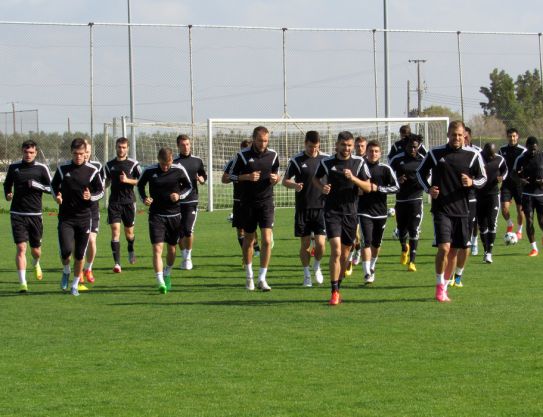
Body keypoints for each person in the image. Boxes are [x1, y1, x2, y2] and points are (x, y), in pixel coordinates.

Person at [416, 121, 486, 302]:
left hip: (463, 209)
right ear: (448, 134)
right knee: (444, 248)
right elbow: (419, 173)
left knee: (454, 251)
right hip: (441, 209)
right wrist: (429, 189)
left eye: (460, 135)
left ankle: (445, 287)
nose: (456, 138)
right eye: (453, 134)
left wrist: (472, 182)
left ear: (465, 136)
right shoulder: (435, 153)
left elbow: (483, 178)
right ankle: (439, 286)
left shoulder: (473, 155)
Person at [313, 131, 372, 305]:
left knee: (346, 254)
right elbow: (315, 179)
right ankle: (334, 291)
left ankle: (338, 284)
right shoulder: (327, 162)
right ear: (337, 145)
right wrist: (322, 187)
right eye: (343, 145)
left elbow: (368, 187)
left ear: (352, 146)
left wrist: (353, 178)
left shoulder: (359, 162)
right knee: (336, 250)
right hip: (332, 212)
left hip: (351, 213)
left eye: (349, 145)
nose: (346, 148)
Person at [229, 126, 280, 291]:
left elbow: (276, 174)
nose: (263, 143)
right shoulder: (242, 156)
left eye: (266, 140)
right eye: (260, 140)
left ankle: (262, 278)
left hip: (266, 203)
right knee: (249, 239)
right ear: (254, 139)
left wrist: (276, 178)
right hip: (247, 203)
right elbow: (229, 176)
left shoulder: (273, 155)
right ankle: (249, 276)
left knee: (266, 240)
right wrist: (247, 177)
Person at [51, 138, 104, 296]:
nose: (79, 157)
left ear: (85, 153)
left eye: (81, 154)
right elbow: (53, 186)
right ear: (71, 152)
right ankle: (66, 270)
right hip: (66, 218)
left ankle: (74, 284)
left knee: (80, 254)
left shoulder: (92, 170)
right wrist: (57, 197)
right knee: (66, 251)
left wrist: (91, 196)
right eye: (76, 154)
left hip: (84, 218)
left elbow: (100, 191)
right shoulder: (62, 169)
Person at [137, 147, 192, 293]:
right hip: (156, 215)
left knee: (172, 249)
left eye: (167, 164)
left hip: (174, 216)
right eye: (162, 164)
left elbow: (189, 186)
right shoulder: (149, 171)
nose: (165, 167)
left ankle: (167, 272)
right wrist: (144, 198)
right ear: (158, 160)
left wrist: (179, 195)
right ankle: (160, 280)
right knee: (157, 248)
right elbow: (140, 185)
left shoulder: (178, 169)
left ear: (171, 160)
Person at [3, 140, 52, 293]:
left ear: (36, 153)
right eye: (26, 152)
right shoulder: (14, 167)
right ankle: (23, 283)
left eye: (31, 152)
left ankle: (36, 262)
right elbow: (7, 184)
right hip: (17, 213)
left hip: (35, 214)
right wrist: (8, 194)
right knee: (20, 247)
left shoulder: (41, 168)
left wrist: (36, 185)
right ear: (22, 152)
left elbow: (52, 188)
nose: (28, 155)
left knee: (36, 250)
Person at [282, 130, 328, 287]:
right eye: (310, 147)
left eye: (315, 147)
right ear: (305, 144)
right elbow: (284, 181)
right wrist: (294, 185)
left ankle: (316, 266)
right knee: (306, 244)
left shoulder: (326, 159)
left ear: (319, 145)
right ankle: (306, 274)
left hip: (322, 208)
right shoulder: (296, 160)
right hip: (303, 208)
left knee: (321, 244)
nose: (313, 150)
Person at [357, 140, 399, 284]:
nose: (373, 154)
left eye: (376, 151)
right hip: (363, 211)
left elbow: (396, 187)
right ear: (366, 152)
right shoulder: (360, 167)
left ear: (380, 153)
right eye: (370, 151)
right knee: (366, 241)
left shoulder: (385, 169)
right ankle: (367, 272)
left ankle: (372, 266)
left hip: (381, 212)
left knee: (376, 243)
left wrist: (379, 188)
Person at [104, 137, 142, 273]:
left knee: (129, 233)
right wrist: (103, 185)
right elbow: (106, 181)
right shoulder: (109, 165)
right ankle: (117, 264)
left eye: (124, 147)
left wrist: (127, 180)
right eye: (119, 147)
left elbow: (140, 181)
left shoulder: (133, 164)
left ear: (128, 148)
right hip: (114, 202)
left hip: (129, 203)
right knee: (115, 231)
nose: (121, 149)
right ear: (116, 147)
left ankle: (130, 247)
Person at [389, 134, 425, 272]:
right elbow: (388, 175)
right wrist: (397, 180)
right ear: (406, 146)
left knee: (414, 229)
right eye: (410, 146)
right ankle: (404, 248)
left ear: (418, 147)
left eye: (415, 147)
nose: (412, 149)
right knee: (402, 230)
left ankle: (412, 262)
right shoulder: (397, 159)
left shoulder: (422, 159)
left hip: (416, 198)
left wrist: (424, 184)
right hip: (401, 199)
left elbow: (428, 175)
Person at [221, 139, 260, 260]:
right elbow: (224, 179)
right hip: (238, 200)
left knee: (252, 228)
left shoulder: (257, 161)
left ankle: (256, 247)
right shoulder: (234, 161)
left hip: (254, 199)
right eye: (244, 149)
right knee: (240, 230)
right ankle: (247, 253)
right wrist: (243, 177)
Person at [174, 134, 207, 270]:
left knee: (188, 229)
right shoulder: (174, 162)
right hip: (176, 202)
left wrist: (202, 180)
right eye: (183, 145)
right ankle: (184, 256)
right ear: (178, 146)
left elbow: (203, 175)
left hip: (192, 200)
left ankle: (188, 258)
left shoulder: (197, 161)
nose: (186, 147)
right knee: (177, 233)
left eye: (187, 144)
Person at [476, 143, 508, 263]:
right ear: (484, 151)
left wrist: (502, 177)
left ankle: (489, 252)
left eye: (492, 155)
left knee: (492, 223)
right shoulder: (477, 158)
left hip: (494, 195)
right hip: (479, 195)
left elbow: (505, 170)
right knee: (482, 226)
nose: (491, 157)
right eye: (488, 155)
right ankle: (485, 250)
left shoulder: (499, 159)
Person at [79, 140, 104, 288]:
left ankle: (88, 268)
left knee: (92, 240)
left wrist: (91, 196)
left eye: (88, 152)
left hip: (92, 209)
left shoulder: (97, 167)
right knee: (79, 243)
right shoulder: (72, 167)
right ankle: (78, 270)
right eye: (84, 152)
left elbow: (100, 189)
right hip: (77, 211)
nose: (86, 155)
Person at [513, 136, 543, 256]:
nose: (533, 151)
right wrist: (520, 181)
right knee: (529, 221)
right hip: (527, 195)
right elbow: (513, 174)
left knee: (541, 222)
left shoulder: (542, 156)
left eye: (535, 149)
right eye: (531, 149)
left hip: (541, 194)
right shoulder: (521, 159)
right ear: (526, 147)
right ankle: (534, 248)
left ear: (537, 147)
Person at [499, 128, 526, 239]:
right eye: (510, 136)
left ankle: (519, 230)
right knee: (504, 208)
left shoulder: (523, 151)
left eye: (514, 136)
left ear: (517, 137)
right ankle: (510, 224)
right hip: (506, 184)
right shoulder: (502, 149)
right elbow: (498, 163)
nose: (512, 138)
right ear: (507, 137)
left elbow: (526, 165)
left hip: (519, 184)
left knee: (520, 210)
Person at [463, 126, 482, 255]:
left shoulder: (478, 151)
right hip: (463, 192)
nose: (464, 138)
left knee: (475, 220)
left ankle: (474, 242)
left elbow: (482, 171)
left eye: (465, 136)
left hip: (477, 190)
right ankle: (464, 242)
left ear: (470, 136)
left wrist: (473, 180)